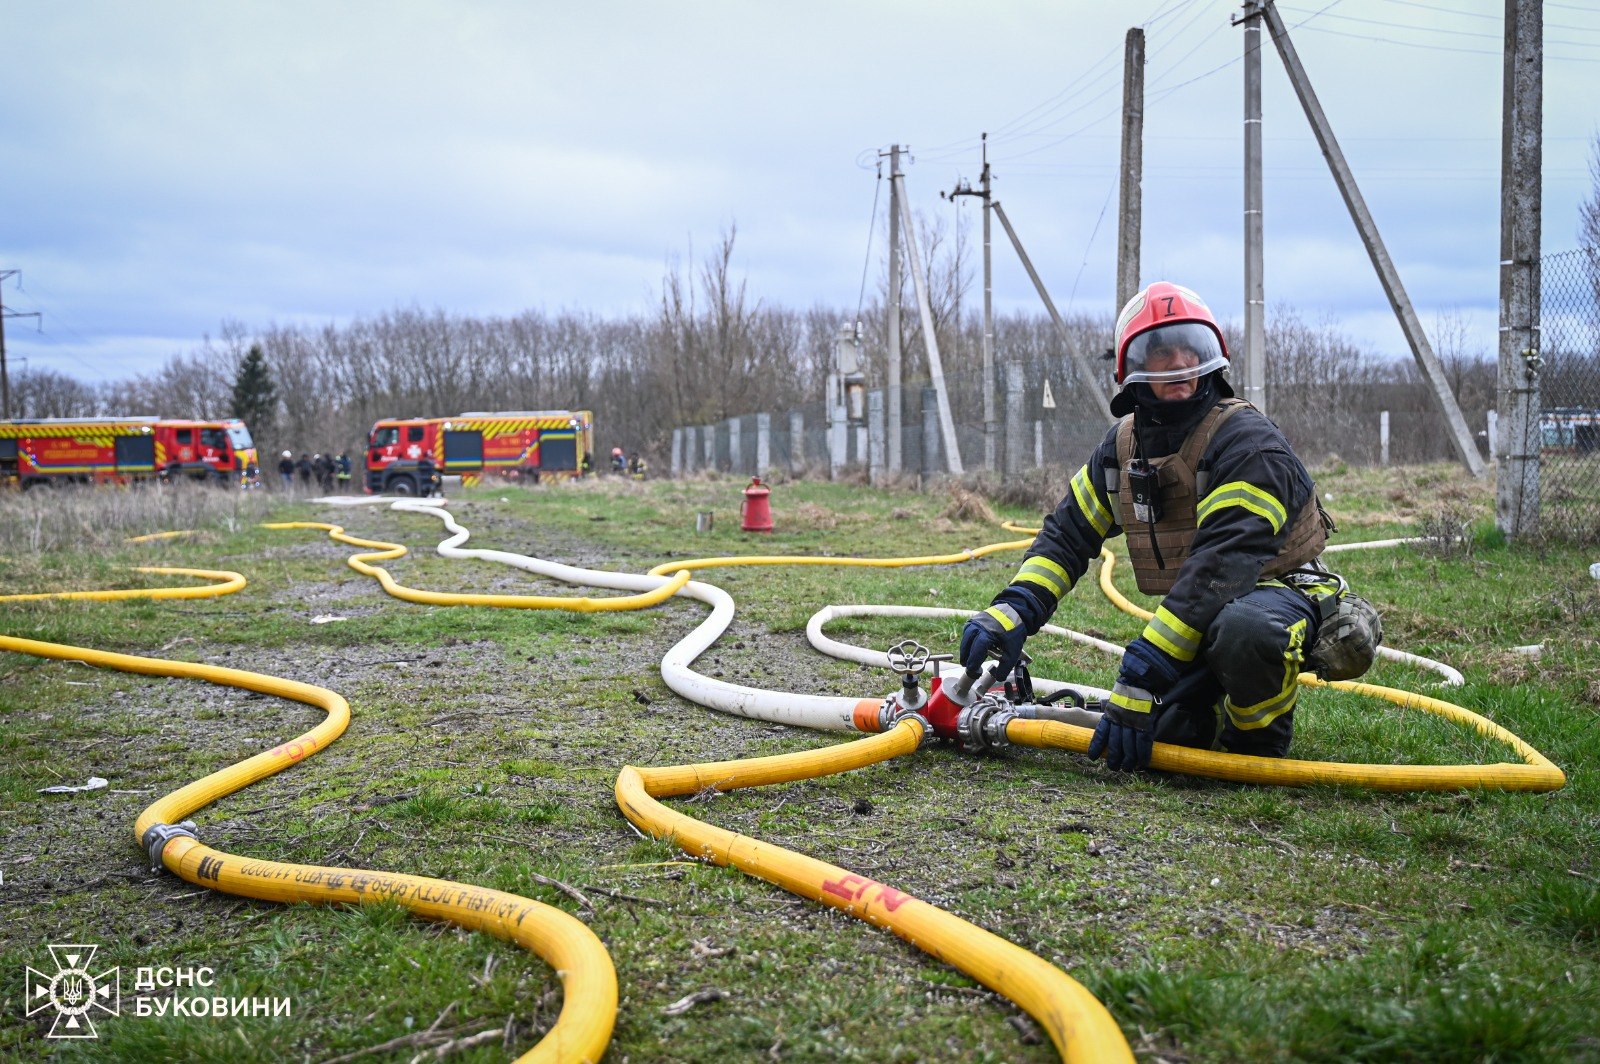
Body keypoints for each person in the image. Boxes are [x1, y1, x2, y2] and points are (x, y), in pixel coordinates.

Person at [959, 281, 1378, 772]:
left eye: (1189, 347)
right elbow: (1067, 536)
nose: (1179, 362)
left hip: (1275, 595)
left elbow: (1220, 568)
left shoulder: (1249, 444)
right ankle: (1206, 721)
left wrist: (1144, 671)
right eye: (1161, 352)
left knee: (1246, 631)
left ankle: (1256, 743)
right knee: (1166, 728)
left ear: (1212, 355)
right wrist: (1012, 612)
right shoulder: (1121, 449)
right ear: (1132, 368)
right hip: (1202, 609)